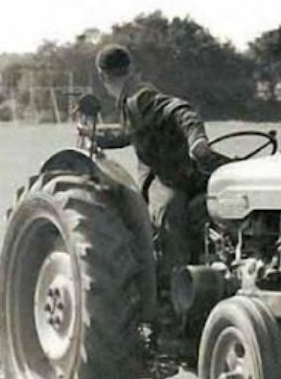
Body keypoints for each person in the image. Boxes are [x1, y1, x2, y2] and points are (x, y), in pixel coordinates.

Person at [82, 44, 225, 284]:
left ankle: (183, 283)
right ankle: (174, 287)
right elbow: (132, 133)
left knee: (171, 207)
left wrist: (197, 140)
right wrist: (96, 137)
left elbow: (180, 110)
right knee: (170, 208)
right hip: (173, 175)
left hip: (174, 174)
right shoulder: (130, 98)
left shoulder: (140, 98)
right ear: (131, 69)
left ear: (103, 76)